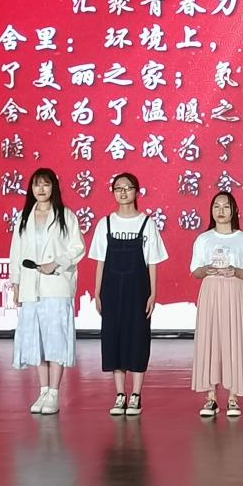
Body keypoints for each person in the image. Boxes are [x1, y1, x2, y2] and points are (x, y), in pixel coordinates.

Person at [89, 172, 169, 417]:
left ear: (137, 192)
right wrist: (97, 292)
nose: (123, 192)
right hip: (111, 290)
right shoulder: (105, 223)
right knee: (113, 337)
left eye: (128, 188)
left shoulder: (147, 223)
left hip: (138, 290)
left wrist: (153, 293)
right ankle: (120, 394)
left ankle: (136, 394)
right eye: (118, 188)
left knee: (138, 337)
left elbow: (152, 262)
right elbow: (100, 262)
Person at [9, 167, 86, 416]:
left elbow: (77, 248)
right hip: (31, 287)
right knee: (37, 340)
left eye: (46, 184)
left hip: (56, 286)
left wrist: (56, 263)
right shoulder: (24, 217)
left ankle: (54, 392)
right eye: (36, 184)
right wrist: (16, 283)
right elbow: (16, 252)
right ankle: (43, 390)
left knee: (56, 340)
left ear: (54, 187)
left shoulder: (66, 216)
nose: (41, 189)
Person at [190, 191, 243, 418]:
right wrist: (206, 269)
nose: (221, 211)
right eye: (216, 206)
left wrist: (236, 271)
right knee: (210, 341)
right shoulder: (204, 239)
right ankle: (210, 397)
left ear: (234, 211)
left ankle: (233, 398)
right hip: (210, 291)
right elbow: (196, 271)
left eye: (226, 206)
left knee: (234, 341)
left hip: (235, 291)